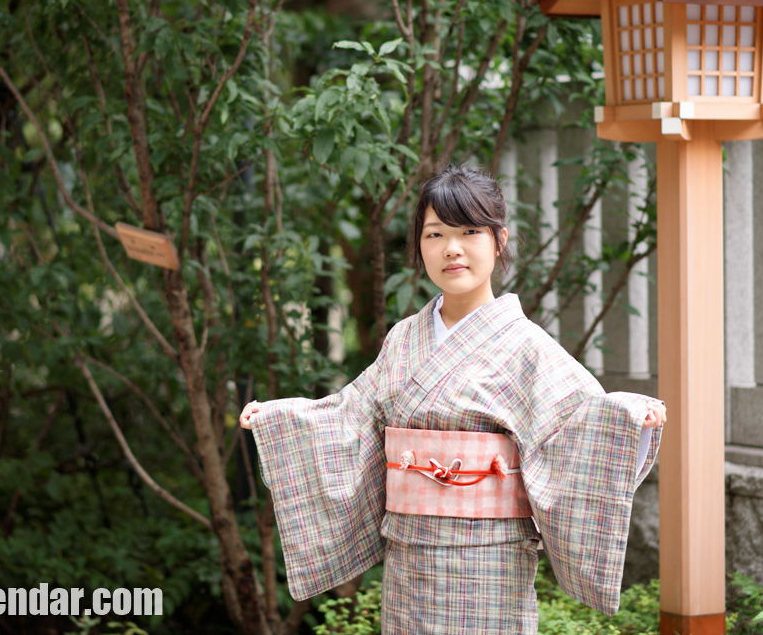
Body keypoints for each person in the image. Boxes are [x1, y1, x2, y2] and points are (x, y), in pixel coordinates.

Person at [240, 163, 665, 634]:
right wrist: (278, 419)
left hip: (489, 560)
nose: (451, 249)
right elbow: (350, 416)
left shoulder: (526, 345)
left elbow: (579, 423)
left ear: (498, 241)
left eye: (469, 231)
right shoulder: (404, 339)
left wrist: (627, 417)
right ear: (419, 247)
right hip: (408, 555)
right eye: (435, 234)